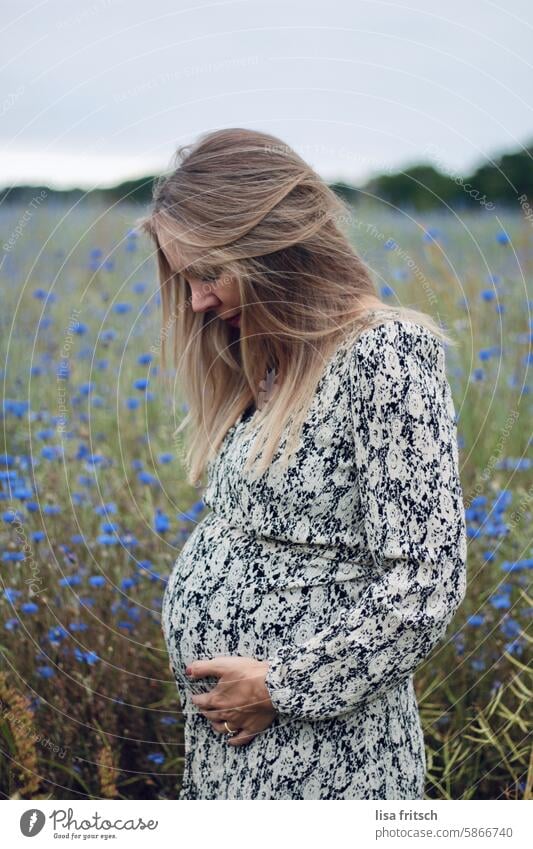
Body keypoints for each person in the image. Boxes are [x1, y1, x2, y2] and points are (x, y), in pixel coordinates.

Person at [138, 127, 467, 800]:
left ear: (274, 248)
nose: (196, 300)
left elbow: (423, 582)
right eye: (185, 277)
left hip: (324, 758)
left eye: (207, 272)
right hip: (240, 754)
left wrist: (277, 686)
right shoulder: (268, 362)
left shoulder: (386, 354)